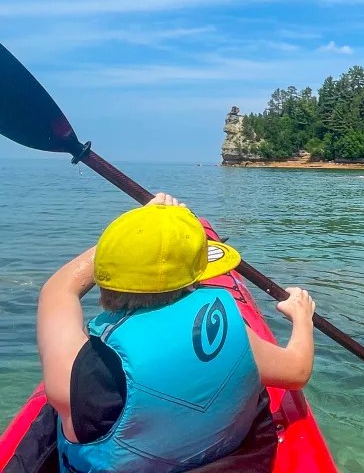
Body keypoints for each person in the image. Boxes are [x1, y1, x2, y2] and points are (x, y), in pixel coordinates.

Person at [37, 192, 316, 473]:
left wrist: (131, 235)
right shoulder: (231, 333)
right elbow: (298, 370)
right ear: (195, 281)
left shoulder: (77, 376)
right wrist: (301, 317)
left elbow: (58, 290)